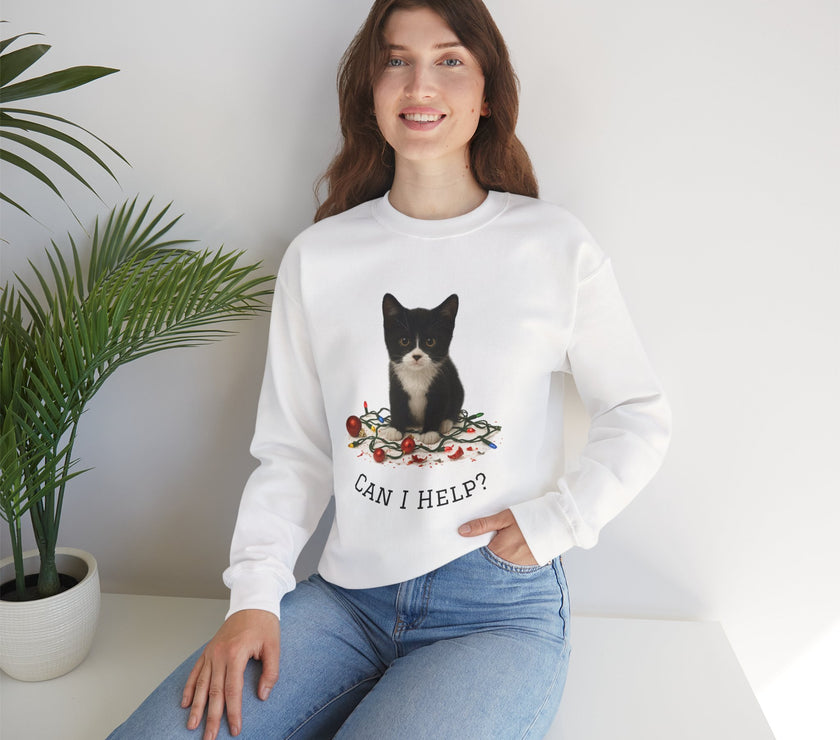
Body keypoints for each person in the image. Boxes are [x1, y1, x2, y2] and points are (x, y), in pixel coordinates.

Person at [109, 1, 671, 738]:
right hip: (345, 599)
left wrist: (559, 521)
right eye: (395, 60)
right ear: (369, 92)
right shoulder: (321, 257)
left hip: (494, 609)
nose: (418, 84)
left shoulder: (552, 245)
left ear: (487, 94)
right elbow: (295, 451)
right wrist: (254, 594)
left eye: (448, 60)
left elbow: (638, 411)